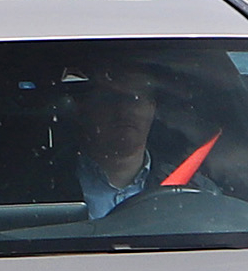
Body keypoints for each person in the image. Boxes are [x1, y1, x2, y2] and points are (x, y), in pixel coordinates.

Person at [71, 64, 220, 218]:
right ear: (86, 109)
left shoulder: (198, 191)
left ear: (152, 108)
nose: (123, 110)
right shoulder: (48, 190)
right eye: (110, 99)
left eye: (134, 98)